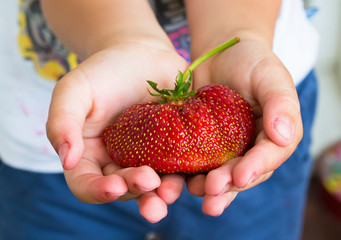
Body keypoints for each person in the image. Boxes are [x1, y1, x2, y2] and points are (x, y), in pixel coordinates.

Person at [0, 0, 318, 239]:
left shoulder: (232, 104)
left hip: (255, 102)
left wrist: (236, 35)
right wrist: (127, 40)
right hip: (60, 145)